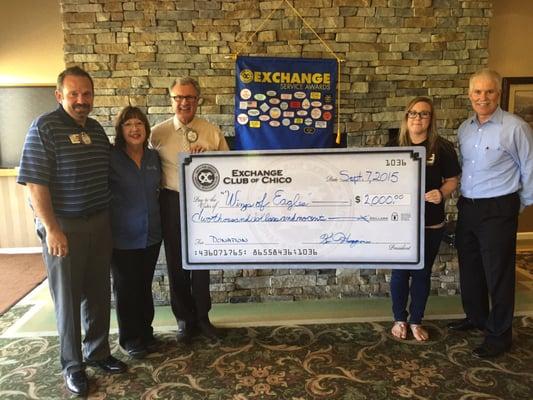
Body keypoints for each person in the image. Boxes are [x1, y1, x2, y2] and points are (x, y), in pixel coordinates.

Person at [17, 66, 126, 397]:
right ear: (59, 95)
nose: (81, 100)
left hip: (99, 222)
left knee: (97, 292)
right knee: (66, 298)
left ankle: (98, 352)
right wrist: (51, 228)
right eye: (74, 94)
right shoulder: (44, 128)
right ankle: (72, 365)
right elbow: (35, 183)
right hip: (64, 227)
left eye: (87, 94)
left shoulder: (95, 129)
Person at [448, 69, 533, 357]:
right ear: (469, 94)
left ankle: (499, 336)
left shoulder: (515, 127)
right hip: (469, 207)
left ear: (498, 93)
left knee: (498, 274)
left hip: (499, 208)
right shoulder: (465, 128)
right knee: (470, 267)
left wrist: (516, 206)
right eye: (477, 92)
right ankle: (476, 317)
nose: (483, 98)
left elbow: (530, 169)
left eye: (489, 92)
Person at [150, 76, 229, 343]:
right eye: (179, 98)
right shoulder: (156, 134)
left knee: (202, 261)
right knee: (176, 262)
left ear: (198, 100)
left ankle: (203, 317)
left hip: (205, 204)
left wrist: (209, 155)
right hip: (171, 201)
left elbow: (229, 167)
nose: (184, 103)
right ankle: (184, 320)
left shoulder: (211, 131)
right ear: (170, 100)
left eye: (190, 98)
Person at [387, 97, 460, 341]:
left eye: (424, 114)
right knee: (399, 273)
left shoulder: (443, 148)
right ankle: (399, 319)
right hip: (399, 224)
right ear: (406, 117)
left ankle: (416, 320)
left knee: (421, 273)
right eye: (413, 113)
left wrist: (441, 193)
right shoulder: (392, 146)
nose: (418, 118)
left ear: (431, 119)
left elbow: (452, 180)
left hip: (430, 222)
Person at [109, 106, 162, 359]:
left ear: (146, 128)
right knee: (126, 288)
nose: (134, 128)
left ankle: (146, 332)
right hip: (121, 238)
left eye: (139, 123)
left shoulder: (154, 158)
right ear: (121, 130)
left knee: (143, 286)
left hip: (151, 235)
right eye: (128, 124)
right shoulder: (111, 157)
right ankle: (130, 338)